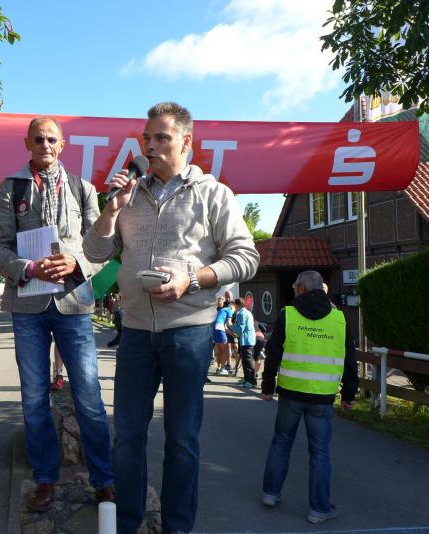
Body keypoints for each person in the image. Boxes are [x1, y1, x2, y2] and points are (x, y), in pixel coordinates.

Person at [83, 102, 259, 534]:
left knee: (182, 440)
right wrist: (111, 209)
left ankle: (177, 527)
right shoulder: (129, 194)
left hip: (189, 331)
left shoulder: (214, 194)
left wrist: (192, 279)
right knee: (127, 438)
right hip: (135, 332)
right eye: (147, 138)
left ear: (186, 142)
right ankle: (128, 524)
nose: (151, 145)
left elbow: (246, 257)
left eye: (161, 137)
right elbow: (94, 252)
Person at [0, 116, 114, 511]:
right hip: (28, 305)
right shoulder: (11, 188)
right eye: (38, 139)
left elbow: (103, 245)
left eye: (51, 139)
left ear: (62, 144)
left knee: (89, 395)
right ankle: (44, 478)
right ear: (27, 143)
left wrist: (76, 263)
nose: (45, 145)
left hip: (73, 302)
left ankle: (104, 479)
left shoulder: (83, 188)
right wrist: (27, 267)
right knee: (34, 398)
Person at [260, 270, 358, 525]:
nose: (294, 292)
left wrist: (267, 386)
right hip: (322, 397)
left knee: (281, 442)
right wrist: (349, 393)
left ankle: (270, 493)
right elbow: (350, 358)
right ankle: (319, 509)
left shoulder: (288, 315)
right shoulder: (339, 319)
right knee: (320, 452)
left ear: (302, 288)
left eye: (295, 288)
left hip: (290, 394)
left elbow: (273, 353)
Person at [229, 297, 257, 388]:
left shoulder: (241, 313)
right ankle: (247, 378)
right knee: (245, 360)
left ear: (237, 305)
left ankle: (251, 381)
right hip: (247, 339)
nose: (234, 307)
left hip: (247, 340)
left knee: (248, 361)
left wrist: (230, 326)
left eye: (235, 305)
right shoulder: (247, 312)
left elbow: (240, 328)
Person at [213, 297, 234, 376]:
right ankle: (222, 369)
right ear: (232, 307)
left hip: (214, 328)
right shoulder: (229, 310)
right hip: (219, 327)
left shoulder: (222, 311)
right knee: (225, 349)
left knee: (219, 350)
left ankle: (218, 368)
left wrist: (232, 334)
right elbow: (229, 323)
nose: (234, 312)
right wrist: (236, 329)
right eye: (234, 310)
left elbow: (224, 327)